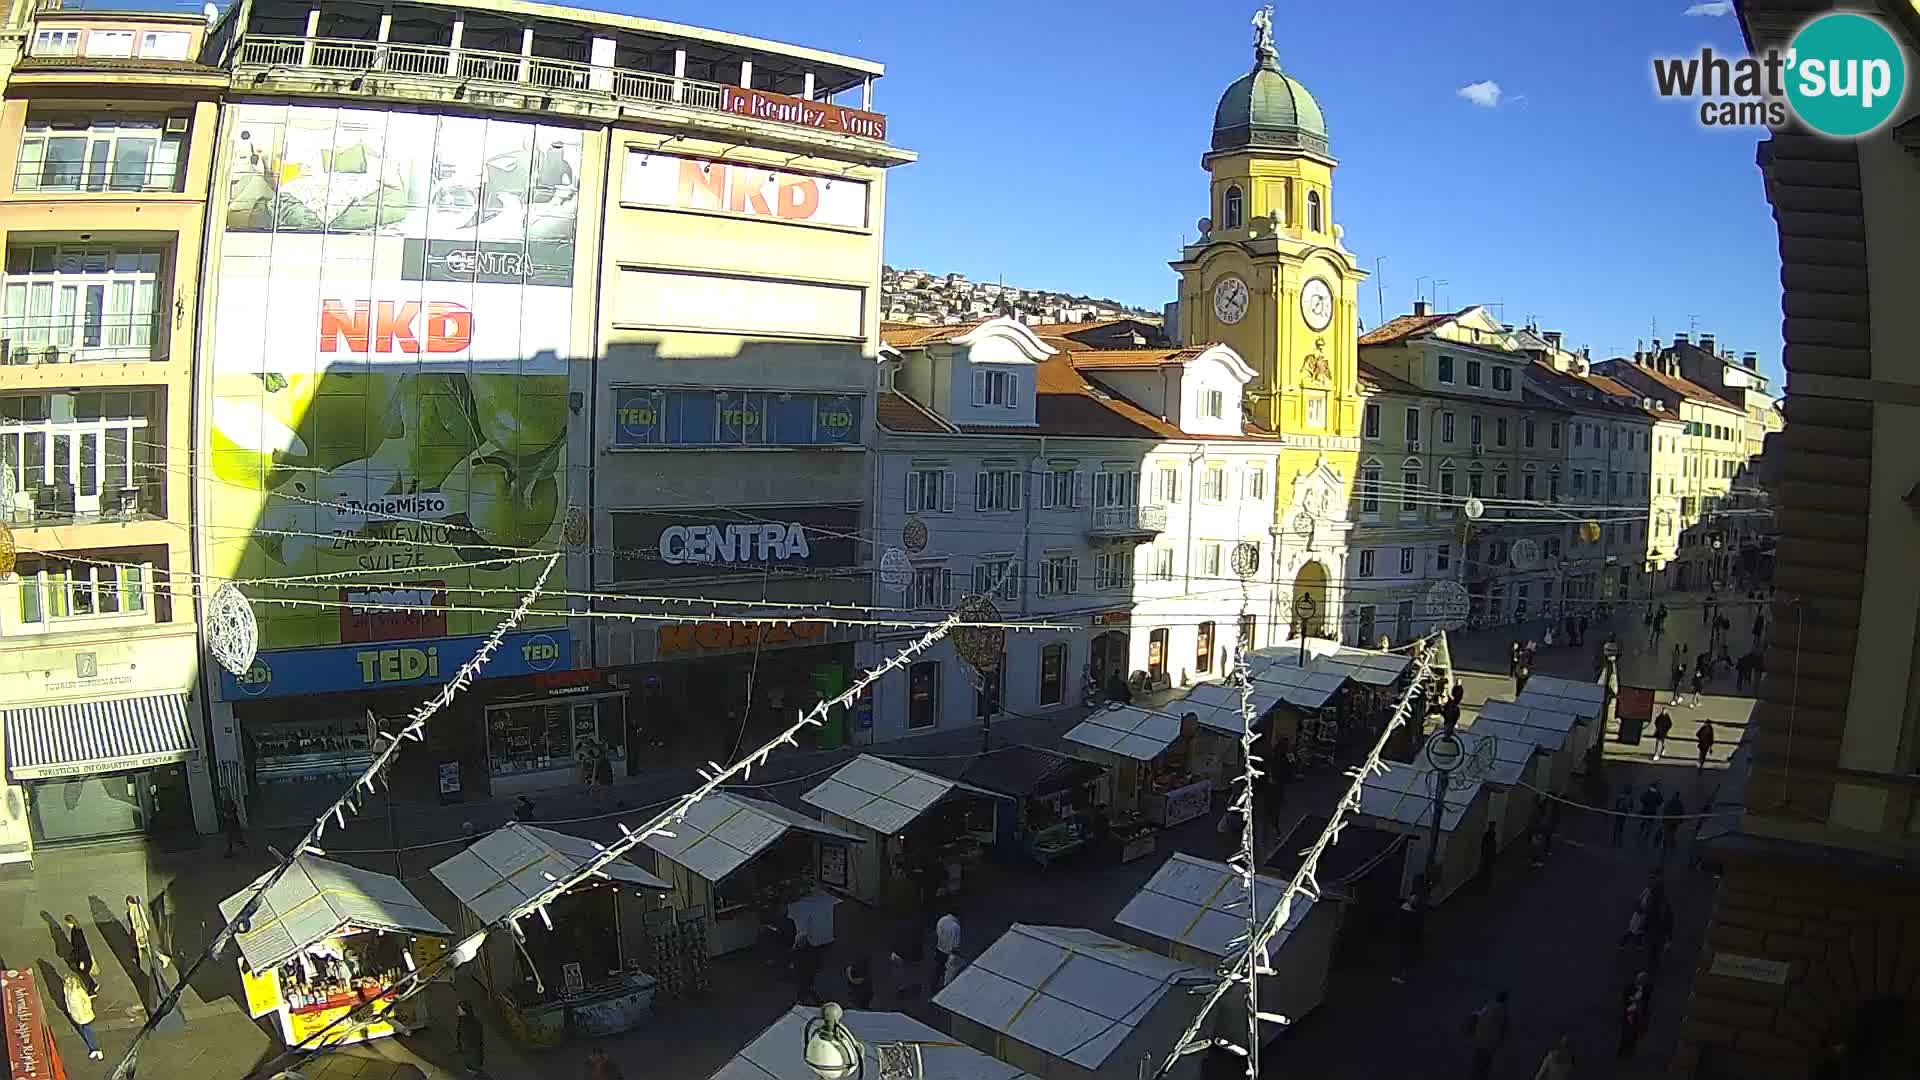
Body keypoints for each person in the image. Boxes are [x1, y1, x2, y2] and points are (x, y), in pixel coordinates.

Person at [1466, 990, 1509, 1080]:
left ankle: (1476, 1075)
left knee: (1478, 1060)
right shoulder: (1503, 1012)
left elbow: (1479, 1016)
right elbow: (1502, 1029)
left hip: (1480, 1039)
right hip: (1490, 1043)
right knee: (1485, 1062)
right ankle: (1481, 1075)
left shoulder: (1488, 1006)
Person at [63, 971, 101, 1060]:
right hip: (76, 1014)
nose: (67, 983)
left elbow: (87, 1001)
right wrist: (70, 1010)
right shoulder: (66, 989)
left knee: (88, 1031)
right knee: (83, 1030)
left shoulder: (78, 989)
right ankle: (93, 1048)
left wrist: (87, 1010)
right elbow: (67, 1000)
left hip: (84, 1014)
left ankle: (96, 1049)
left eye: (68, 981)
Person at [1617, 972, 1653, 1058]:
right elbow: (1625, 998)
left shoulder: (1645, 991)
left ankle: (1628, 1053)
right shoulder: (1630, 988)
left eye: (1643, 980)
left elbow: (1645, 1004)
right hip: (1629, 1013)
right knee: (1626, 1034)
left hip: (1637, 1015)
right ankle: (1622, 1053)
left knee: (1633, 1035)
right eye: (1641, 980)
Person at [1391, 890, 1424, 984]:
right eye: (1413, 898)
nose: (1413, 900)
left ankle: (1401, 976)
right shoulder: (1412, 912)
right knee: (1403, 957)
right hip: (1405, 937)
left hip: (1406, 938)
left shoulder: (1407, 911)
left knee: (1404, 958)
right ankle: (1400, 975)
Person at [64, 914, 96, 994]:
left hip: (83, 958)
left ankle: (92, 989)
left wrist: (82, 961)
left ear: (69, 922)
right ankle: (92, 986)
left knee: (83, 974)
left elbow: (80, 947)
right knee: (84, 974)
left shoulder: (75, 932)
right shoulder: (77, 929)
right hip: (84, 957)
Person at [932, 911, 961, 994]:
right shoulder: (956, 926)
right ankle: (945, 987)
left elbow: (937, 932)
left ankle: (933, 986)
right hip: (949, 952)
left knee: (937, 968)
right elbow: (956, 942)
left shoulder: (942, 920)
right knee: (949, 971)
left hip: (939, 948)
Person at [456, 999, 486, 1077]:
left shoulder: (464, 1024)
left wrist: (461, 1050)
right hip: (476, 1054)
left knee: (475, 1074)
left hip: (471, 1056)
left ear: (464, 1011)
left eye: (459, 1009)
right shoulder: (475, 1020)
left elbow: (464, 1040)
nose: (457, 1011)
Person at [220, 794, 249, 858]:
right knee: (231, 837)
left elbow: (232, 810)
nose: (221, 795)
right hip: (230, 822)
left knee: (231, 836)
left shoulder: (228, 802)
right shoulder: (226, 802)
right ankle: (232, 849)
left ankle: (232, 850)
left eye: (222, 794)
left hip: (231, 822)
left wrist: (228, 814)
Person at [1479, 822, 1498, 889]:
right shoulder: (1490, 835)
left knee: (1488, 868)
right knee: (1488, 868)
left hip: (1488, 854)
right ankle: (1486, 882)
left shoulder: (1489, 835)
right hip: (1489, 854)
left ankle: (1485, 881)